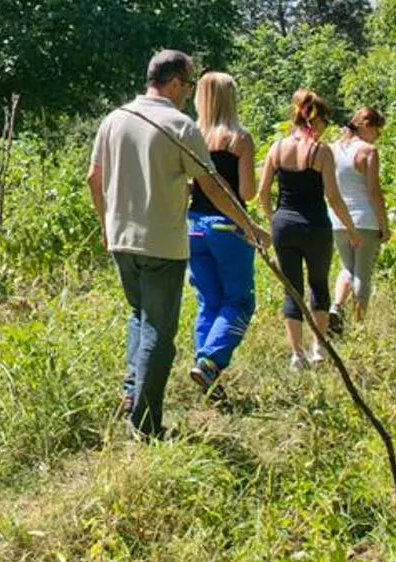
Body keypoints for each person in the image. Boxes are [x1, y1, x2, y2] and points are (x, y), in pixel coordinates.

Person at [89, 50, 270, 439]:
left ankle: (131, 393)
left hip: (121, 240)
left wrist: (107, 224)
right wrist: (251, 227)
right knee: (159, 331)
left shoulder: (115, 119)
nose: (189, 93)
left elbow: (93, 178)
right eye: (188, 85)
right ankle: (147, 424)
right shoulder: (179, 125)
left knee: (139, 315)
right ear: (173, 82)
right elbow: (214, 188)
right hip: (161, 243)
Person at [257, 87, 357, 366]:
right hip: (315, 225)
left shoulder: (277, 148)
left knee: (292, 289)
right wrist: (350, 228)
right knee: (318, 285)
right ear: (317, 120)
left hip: (284, 224)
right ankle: (318, 349)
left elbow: (263, 191)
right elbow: (334, 198)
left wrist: (272, 219)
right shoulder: (321, 151)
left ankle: (296, 354)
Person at [184, 70, 260, 395]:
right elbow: (248, 191)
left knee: (208, 302)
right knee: (239, 301)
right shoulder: (238, 139)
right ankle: (211, 362)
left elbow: (187, 186)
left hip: (193, 228)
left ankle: (207, 374)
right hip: (228, 227)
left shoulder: (191, 137)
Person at [330, 106, 391, 323]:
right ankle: (359, 324)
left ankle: (336, 307)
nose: (378, 136)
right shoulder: (368, 151)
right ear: (367, 126)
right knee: (362, 274)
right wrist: (384, 224)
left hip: (337, 219)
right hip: (364, 219)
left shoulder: (333, 149)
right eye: (378, 130)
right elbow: (374, 191)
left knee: (347, 267)